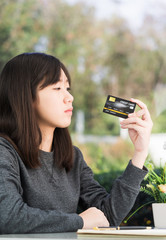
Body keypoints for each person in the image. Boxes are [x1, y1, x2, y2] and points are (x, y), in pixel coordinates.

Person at [0, 53, 153, 234]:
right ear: (24, 95)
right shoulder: (5, 151)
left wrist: (140, 152)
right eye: (57, 88)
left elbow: (108, 216)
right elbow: (8, 216)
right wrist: (80, 221)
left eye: (68, 88)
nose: (69, 97)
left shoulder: (72, 157)